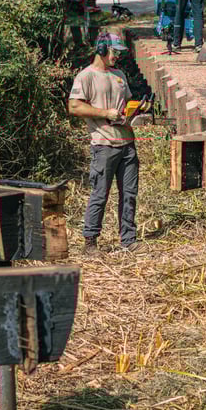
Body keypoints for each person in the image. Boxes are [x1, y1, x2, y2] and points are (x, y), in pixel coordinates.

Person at [68, 32, 139, 254]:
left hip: (127, 143)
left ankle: (128, 239)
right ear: (101, 49)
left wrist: (135, 111)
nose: (117, 56)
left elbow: (127, 102)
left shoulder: (119, 75)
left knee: (129, 194)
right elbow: (74, 106)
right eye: (114, 51)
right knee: (100, 194)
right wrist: (105, 113)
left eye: (119, 52)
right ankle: (90, 242)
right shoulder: (86, 76)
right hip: (103, 144)